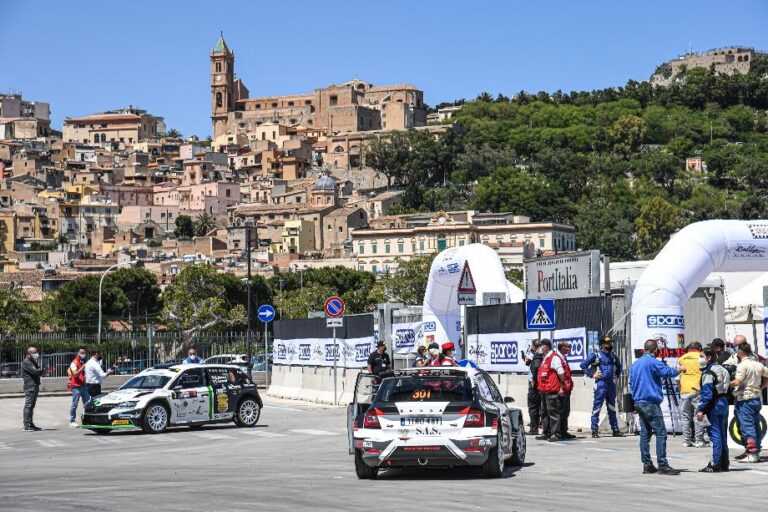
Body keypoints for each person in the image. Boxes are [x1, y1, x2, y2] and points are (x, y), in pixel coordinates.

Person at [629, 339, 685, 475]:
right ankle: (662, 464)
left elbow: (631, 383)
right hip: (650, 403)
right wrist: (679, 369)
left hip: (639, 402)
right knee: (661, 433)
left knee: (645, 433)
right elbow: (667, 372)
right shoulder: (653, 362)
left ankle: (647, 464)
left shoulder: (635, 365)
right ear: (655, 350)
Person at [731, 343, 768, 463]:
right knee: (756, 426)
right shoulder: (758, 364)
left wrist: (725, 383)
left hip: (745, 399)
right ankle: (756, 452)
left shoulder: (742, 365)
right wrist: (761, 387)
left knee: (748, 427)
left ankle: (751, 454)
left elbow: (737, 382)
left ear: (740, 353)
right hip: (757, 398)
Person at [581, 336, 624, 438]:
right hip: (600, 384)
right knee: (597, 407)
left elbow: (619, 366)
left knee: (612, 408)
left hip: (610, 384)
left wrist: (617, 374)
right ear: (602, 345)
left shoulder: (612, 355)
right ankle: (595, 430)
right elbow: (583, 364)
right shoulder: (596, 355)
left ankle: (615, 430)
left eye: (610, 343)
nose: (610, 345)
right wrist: (592, 375)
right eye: (607, 343)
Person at [696, 348, 730, 472]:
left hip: (713, 404)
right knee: (722, 434)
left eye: (701, 356)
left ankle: (715, 464)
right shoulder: (723, 369)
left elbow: (707, 394)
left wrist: (701, 409)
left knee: (715, 434)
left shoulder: (708, 372)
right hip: (723, 402)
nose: (699, 358)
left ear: (709, 358)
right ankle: (724, 463)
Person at [678, 342, 709, 448]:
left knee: (685, 417)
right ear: (699, 348)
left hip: (684, 390)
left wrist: (681, 389)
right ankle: (699, 441)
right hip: (697, 389)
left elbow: (678, 377)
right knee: (698, 415)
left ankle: (686, 441)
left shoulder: (682, 358)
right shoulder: (701, 357)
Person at [536, 339, 567, 442]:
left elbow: (561, 372)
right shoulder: (545, 358)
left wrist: (562, 384)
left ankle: (556, 433)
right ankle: (547, 432)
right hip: (544, 390)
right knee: (544, 412)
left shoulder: (554, 358)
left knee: (553, 412)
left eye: (542, 346)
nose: (540, 348)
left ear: (546, 347)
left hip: (552, 390)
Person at [21, 346, 43, 431]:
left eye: (36, 352)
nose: (36, 354)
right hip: (30, 386)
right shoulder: (26, 362)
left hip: (34, 385)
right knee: (28, 405)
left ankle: (30, 423)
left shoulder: (32, 361)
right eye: (34, 352)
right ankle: (26, 425)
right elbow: (36, 371)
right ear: (29, 353)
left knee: (31, 406)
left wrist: (39, 370)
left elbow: (39, 371)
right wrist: (40, 370)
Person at [524, 339, 543, 435]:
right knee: (541, 406)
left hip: (535, 384)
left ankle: (534, 428)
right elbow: (530, 363)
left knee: (533, 406)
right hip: (542, 384)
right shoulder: (543, 355)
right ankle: (543, 427)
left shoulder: (538, 355)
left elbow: (535, 367)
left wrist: (533, 380)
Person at [556, 341, 575, 439]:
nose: (569, 349)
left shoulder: (564, 358)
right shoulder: (557, 358)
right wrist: (560, 388)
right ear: (562, 348)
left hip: (567, 389)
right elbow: (556, 375)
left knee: (566, 411)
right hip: (561, 389)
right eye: (567, 347)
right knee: (560, 411)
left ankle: (564, 430)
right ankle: (558, 432)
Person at [68, 347, 90, 427]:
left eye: (84, 353)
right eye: (82, 353)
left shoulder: (82, 362)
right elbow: (75, 374)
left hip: (83, 386)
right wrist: (82, 368)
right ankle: (72, 420)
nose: (83, 354)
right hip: (76, 387)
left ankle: (87, 419)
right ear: (78, 353)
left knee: (87, 403)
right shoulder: (74, 363)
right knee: (75, 404)